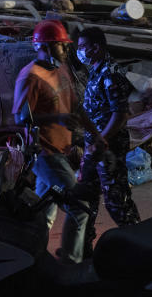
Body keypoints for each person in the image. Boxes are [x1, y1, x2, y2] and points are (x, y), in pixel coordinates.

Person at [12, 20, 105, 264]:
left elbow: (75, 107)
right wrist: (57, 117)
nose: (66, 51)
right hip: (45, 153)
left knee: (44, 212)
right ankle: (71, 263)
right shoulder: (31, 76)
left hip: (60, 151)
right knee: (79, 206)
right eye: (62, 46)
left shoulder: (60, 70)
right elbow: (21, 117)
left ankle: (33, 259)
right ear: (47, 46)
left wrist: (96, 135)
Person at [75, 27, 140, 228]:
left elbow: (120, 114)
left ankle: (137, 237)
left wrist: (101, 140)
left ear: (96, 47)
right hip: (95, 146)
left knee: (116, 198)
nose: (79, 51)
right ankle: (83, 247)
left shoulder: (110, 73)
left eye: (82, 47)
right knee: (86, 196)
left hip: (108, 147)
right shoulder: (96, 70)